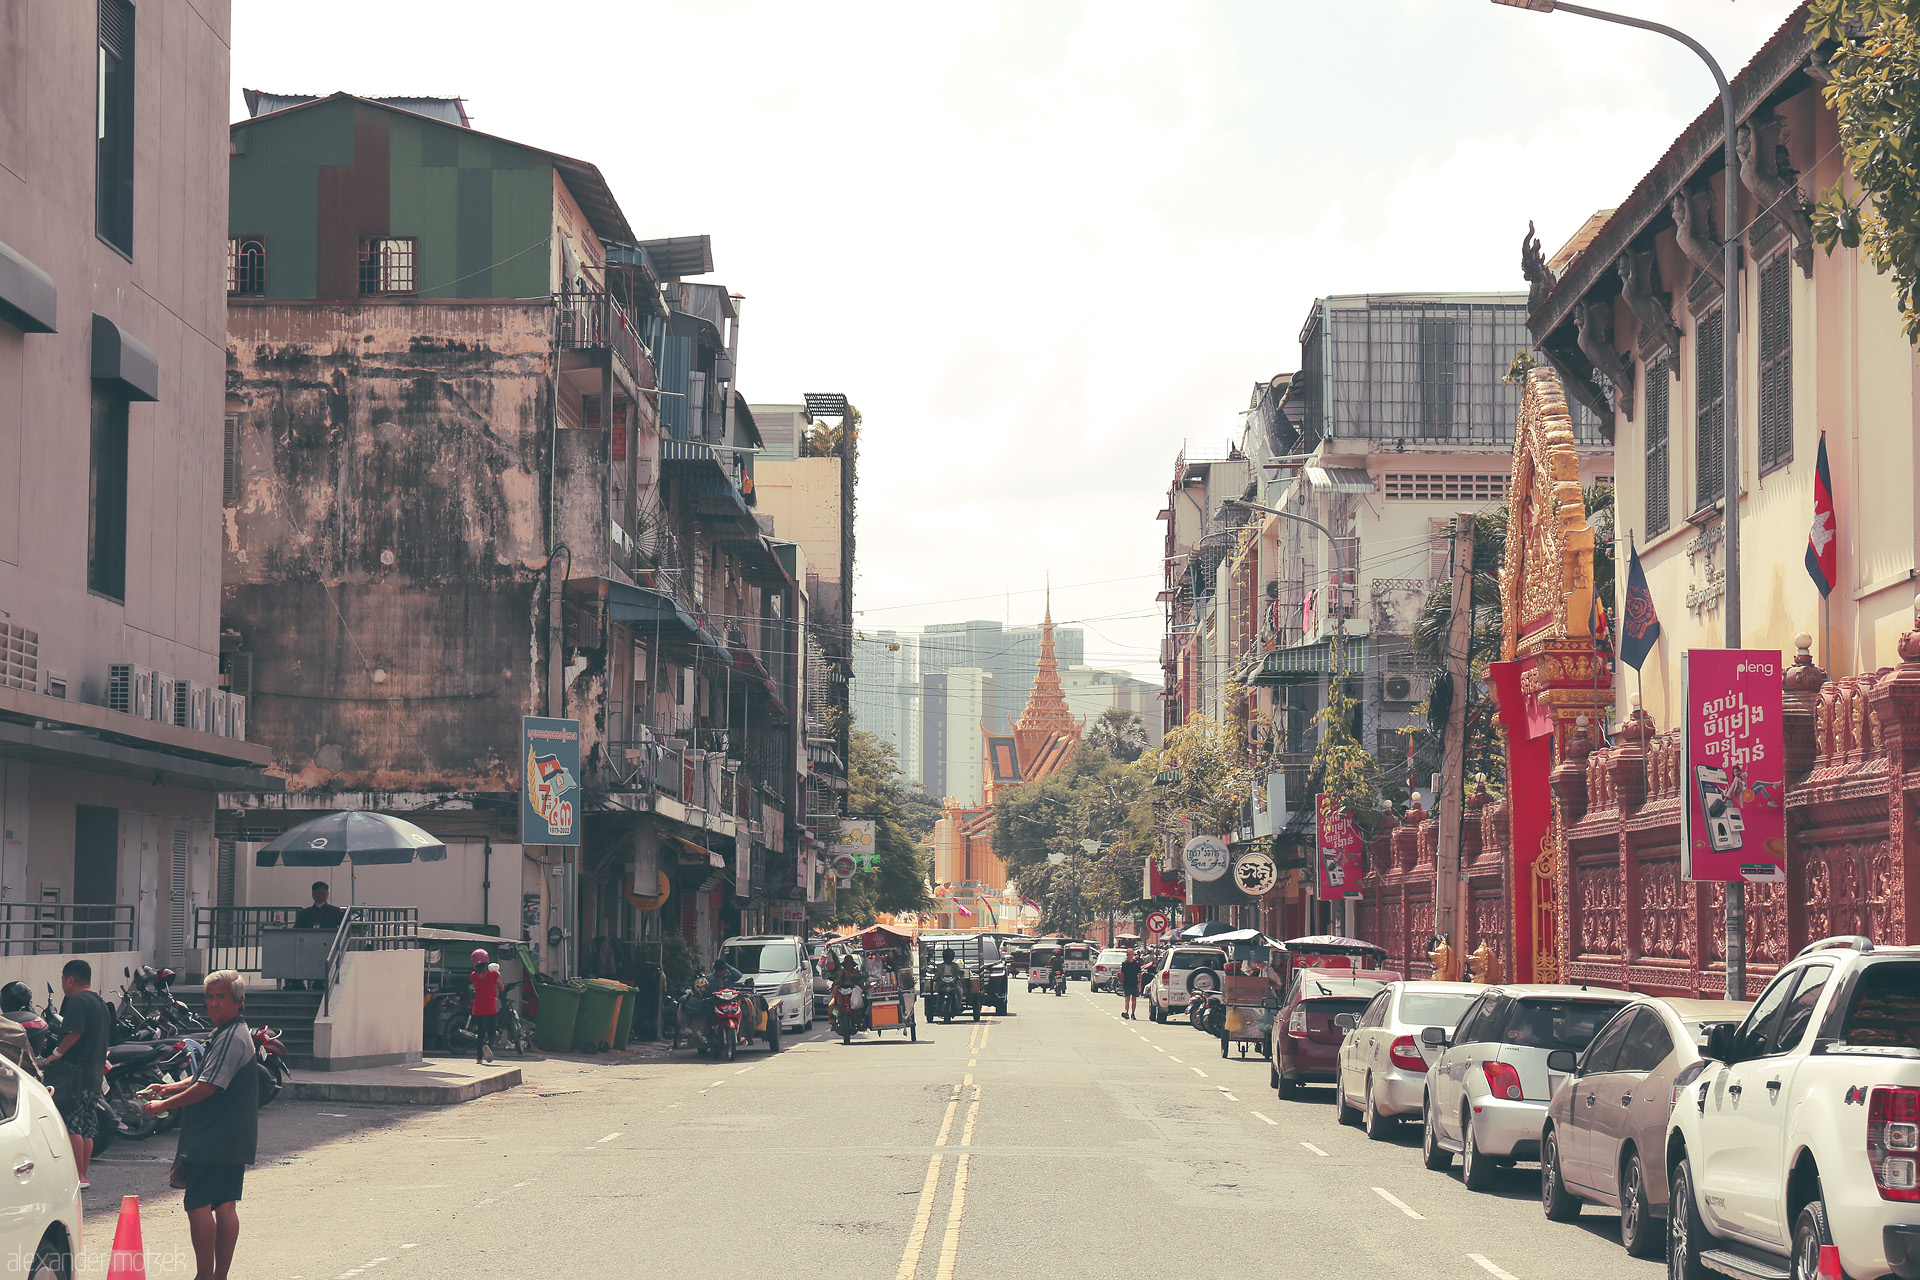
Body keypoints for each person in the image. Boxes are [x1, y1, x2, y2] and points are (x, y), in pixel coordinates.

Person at [145, 970, 257, 1280]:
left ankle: (205, 1276)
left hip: (214, 1137)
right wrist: (166, 1088)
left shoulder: (231, 1036)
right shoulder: (226, 1033)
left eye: (221, 997)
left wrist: (164, 1105)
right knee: (225, 1205)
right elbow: (202, 1077)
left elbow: (207, 1086)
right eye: (209, 997)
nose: (213, 1003)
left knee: (198, 1205)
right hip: (230, 1136)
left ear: (238, 1001)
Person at [43, 959, 108, 1188]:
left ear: (70, 980)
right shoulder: (99, 1002)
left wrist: (55, 1054)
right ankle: (83, 1175)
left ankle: (76, 1177)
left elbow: (73, 1033)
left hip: (75, 1075)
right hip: (94, 1073)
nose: (63, 985)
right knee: (87, 1128)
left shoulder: (78, 1001)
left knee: (72, 1124)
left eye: (63, 980)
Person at [469, 949, 501, 1064]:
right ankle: (488, 1044)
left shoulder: (473, 975)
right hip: (490, 1007)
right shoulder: (493, 975)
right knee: (491, 1030)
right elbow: (501, 987)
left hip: (477, 1007)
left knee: (480, 1032)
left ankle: (479, 1058)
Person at [1119, 949, 1144, 1020]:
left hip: (1134, 983)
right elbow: (1122, 974)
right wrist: (1122, 984)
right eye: (1129, 954)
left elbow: (1139, 974)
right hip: (1127, 983)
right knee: (1127, 998)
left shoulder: (1136, 964)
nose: (1130, 955)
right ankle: (1126, 1012)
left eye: (1131, 954)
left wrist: (1140, 983)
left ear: (1133, 954)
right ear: (1127, 955)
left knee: (1134, 998)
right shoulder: (1124, 963)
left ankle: (1133, 1013)